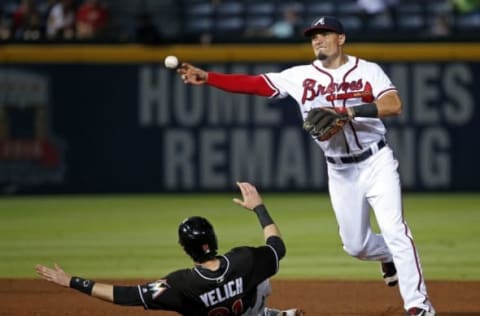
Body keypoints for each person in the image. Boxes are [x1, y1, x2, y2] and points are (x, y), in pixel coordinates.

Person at [176, 16, 435, 316]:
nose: (318, 40)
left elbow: (394, 104)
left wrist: (348, 110)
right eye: (314, 36)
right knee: (356, 246)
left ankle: (419, 307)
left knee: (395, 229)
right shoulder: (299, 76)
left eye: (325, 34)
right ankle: (389, 253)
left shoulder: (368, 71)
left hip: (377, 161)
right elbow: (256, 84)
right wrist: (209, 78)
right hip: (339, 170)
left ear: (341, 39)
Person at [36, 182, 304, 316]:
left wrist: (72, 281)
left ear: (186, 249)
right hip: (243, 301)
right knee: (262, 268)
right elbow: (276, 246)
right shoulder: (242, 258)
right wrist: (258, 206)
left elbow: (125, 295)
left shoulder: (180, 284)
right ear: (213, 238)